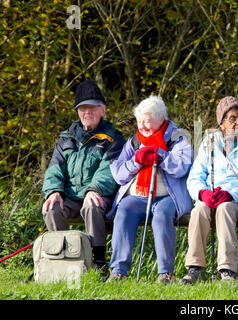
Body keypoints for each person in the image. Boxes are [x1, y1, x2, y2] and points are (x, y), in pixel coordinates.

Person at [179, 96, 238, 283]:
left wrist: (231, 194)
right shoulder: (208, 142)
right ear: (221, 122)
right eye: (232, 118)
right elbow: (195, 176)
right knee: (199, 210)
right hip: (211, 196)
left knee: (224, 209)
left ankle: (227, 270)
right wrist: (203, 193)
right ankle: (195, 268)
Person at [106, 96, 193, 283]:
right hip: (138, 196)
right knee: (124, 210)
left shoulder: (178, 137)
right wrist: (136, 161)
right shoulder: (134, 141)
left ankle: (166, 273)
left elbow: (181, 167)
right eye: (139, 121)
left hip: (167, 196)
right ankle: (118, 271)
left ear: (161, 118)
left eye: (147, 121)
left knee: (162, 216)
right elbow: (119, 174)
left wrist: (160, 155)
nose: (142, 125)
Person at [42, 80, 126, 271]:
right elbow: (54, 168)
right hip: (71, 197)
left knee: (92, 204)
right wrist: (54, 191)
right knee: (51, 207)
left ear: (103, 110)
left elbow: (109, 170)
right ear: (78, 112)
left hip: (100, 195)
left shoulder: (113, 139)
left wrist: (93, 189)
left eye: (92, 107)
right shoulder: (66, 138)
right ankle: (64, 257)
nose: (87, 112)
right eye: (83, 108)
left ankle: (98, 262)